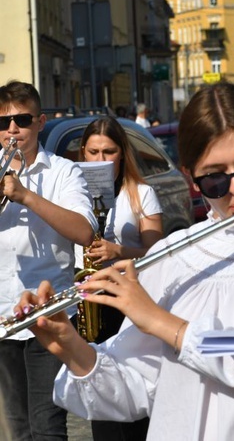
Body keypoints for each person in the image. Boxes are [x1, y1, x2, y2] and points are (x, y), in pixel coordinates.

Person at [19, 82, 234, 440]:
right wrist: (70, 346)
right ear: (191, 175)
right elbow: (134, 388)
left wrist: (160, 321)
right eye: (215, 179)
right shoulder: (171, 254)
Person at [0, 80, 97, 440]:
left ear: (40, 122)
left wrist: (25, 196)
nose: (12, 130)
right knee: (15, 429)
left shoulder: (63, 172)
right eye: (3, 122)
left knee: (47, 427)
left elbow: (85, 232)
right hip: (2, 318)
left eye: (22, 120)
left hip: (49, 315)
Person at [76, 116, 165, 440]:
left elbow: (158, 252)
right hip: (89, 300)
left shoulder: (141, 193)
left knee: (133, 388)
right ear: (82, 153)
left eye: (109, 152)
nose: (100, 160)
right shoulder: (72, 193)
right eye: (94, 152)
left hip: (128, 301)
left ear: (122, 153)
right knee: (100, 393)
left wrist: (120, 251)